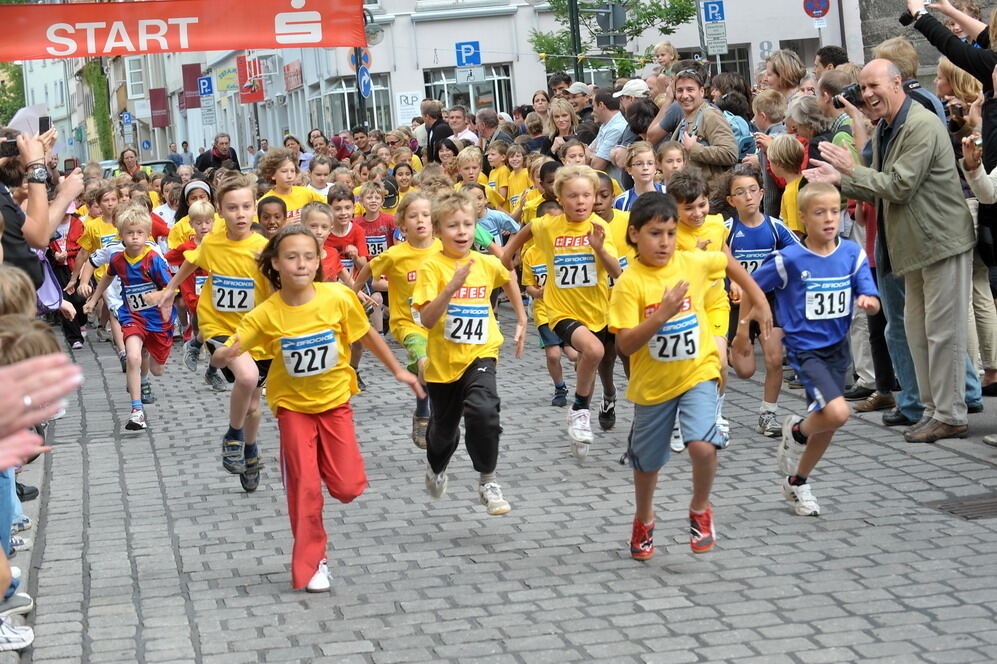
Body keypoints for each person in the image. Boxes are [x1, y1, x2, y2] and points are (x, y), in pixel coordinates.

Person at [211, 224, 421, 592]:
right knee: (304, 487)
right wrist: (223, 354)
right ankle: (313, 563)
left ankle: (324, 471)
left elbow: (366, 335)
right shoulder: (266, 314)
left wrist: (398, 370)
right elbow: (223, 353)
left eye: (308, 256)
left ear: (320, 259)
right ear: (275, 263)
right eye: (291, 257)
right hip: (293, 409)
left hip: (336, 403)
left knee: (347, 487)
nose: (301, 264)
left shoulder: (337, 297)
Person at [804, 58, 976, 444]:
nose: (866, 95)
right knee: (917, 331)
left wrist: (850, 170)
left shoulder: (920, 124)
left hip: (941, 240)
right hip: (913, 245)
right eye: (862, 88)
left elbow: (899, 186)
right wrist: (839, 182)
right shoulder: (886, 126)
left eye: (873, 86)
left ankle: (951, 414)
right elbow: (878, 187)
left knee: (942, 334)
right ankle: (933, 411)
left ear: (897, 83)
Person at [610, 192, 770, 560]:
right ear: (634, 235)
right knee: (647, 464)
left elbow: (726, 262)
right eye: (654, 233)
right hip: (653, 386)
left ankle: (700, 508)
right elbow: (625, 345)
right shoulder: (629, 283)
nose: (664, 242)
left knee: (702, 444)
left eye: (669, 232)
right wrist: (661, 314)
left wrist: (758, 299)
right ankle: (644, 518)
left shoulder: (691, 263)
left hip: (697, 370)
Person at [735, 182, 879, 516]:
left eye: (834, 211)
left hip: (837, 350)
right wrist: (745, 329)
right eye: (819, 213)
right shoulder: (790, 258)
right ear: (802, 218)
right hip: (805, 350)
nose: (829, 219)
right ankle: (797, 432)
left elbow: (867, 289)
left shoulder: (851, 254)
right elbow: (751, 286)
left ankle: (797, 481)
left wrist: (869, 300)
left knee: (828, 422)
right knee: (839, 413)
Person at [412, 190, 526, 515]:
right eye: (452, 226)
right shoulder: (432, 268)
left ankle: (488, 480)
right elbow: (428, 319)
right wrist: (451, 287)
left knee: (484, 411)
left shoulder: (486, 263)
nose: (461, 232)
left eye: (467, 224)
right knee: (442, 433)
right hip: (443, 363)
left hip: (481, 353)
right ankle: (436, 467)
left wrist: (520, 319)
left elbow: (508, 277)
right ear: (437, 231)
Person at [154, 174, 270, 491]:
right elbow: (191, 262)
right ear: (219, 210)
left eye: (247, 206)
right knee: (245, 378)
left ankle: (249, 448)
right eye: (232, 208)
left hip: (255, 332)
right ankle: (233, 436)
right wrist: (169, 289)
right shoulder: (213, 243)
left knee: (254, 406)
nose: (241, 214)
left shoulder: (264, 248)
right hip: (218, 325)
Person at [500, 165, 622, 458]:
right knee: (593, 352)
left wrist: (601, 249)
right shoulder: (548, 226)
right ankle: (580, 409)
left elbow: (616, 271)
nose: (580, 202)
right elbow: (519, 239)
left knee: (588, 367)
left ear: (594, 198)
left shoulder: (600, 228)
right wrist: (506, 260)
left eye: (586, 196)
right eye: (572, 196)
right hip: (559, 309)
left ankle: (580, 422)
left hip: (596, 310)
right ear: (560, 198)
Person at [352, 193, 438, 447]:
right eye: (413, 216)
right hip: (407, 324)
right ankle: (424, 410)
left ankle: (429, 404)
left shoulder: (445, 250)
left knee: (437, 370)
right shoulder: (395, 255)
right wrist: (354, 291)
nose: (420, 220)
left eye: (425, 215)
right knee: (425, 363)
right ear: (402, 225)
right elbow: (368, 267)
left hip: (441, 325)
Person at [83, 203, 176, 431]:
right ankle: (136, 411)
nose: (134, 238)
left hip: (157, 320)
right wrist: (94, 299)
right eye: (129, 233)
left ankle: (145, 377)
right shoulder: (117, 259)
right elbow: (106, 277)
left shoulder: (153, 259)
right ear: (121, 234)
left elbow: (171, 288)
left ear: (148, 234)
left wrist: (158, 297)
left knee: (157, 369)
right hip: (132, 316)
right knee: (132, 357)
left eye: (139, 233)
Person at [722, 165, 799, 436]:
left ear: (762, 193)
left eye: (753, 190)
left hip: (770, 302)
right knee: (744, 371)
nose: (748, 197)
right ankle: (732, 352)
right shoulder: (725, 230)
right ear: (731, 201)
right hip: (735, 306)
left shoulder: (775, 228)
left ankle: (768, 415)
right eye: (740, 193)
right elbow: (712, 266)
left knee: (775, 359)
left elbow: (798, 257)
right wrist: (729, 285)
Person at [672, 69, 738, 208]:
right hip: (691, 200)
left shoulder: (710, 115)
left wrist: (694, 149)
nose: (684, 95)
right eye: (680, 90)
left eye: (690, 89)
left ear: (701, 92)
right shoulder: (686, 118)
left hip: (712, 201)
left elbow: (730, 153)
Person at [258, 148, 324, 222]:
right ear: (272, 174)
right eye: (284, 171)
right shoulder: (264, 202)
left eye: (292, 171)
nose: (289, 176)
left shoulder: (306, 193)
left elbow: (328, 208)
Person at [614, 141, 664, 211]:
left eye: (650, 163)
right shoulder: (622, 201)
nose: (645, 167)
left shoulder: (669, 193)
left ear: (655, 167)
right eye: (639, 164)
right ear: (629, 169)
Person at [589, 91, 628, 173]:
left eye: (593, 106)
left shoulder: (616, 128)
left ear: (601, 105)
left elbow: (596, 165)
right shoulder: (605, 125)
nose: (592, 113)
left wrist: (592, 155)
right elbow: (588, 150)